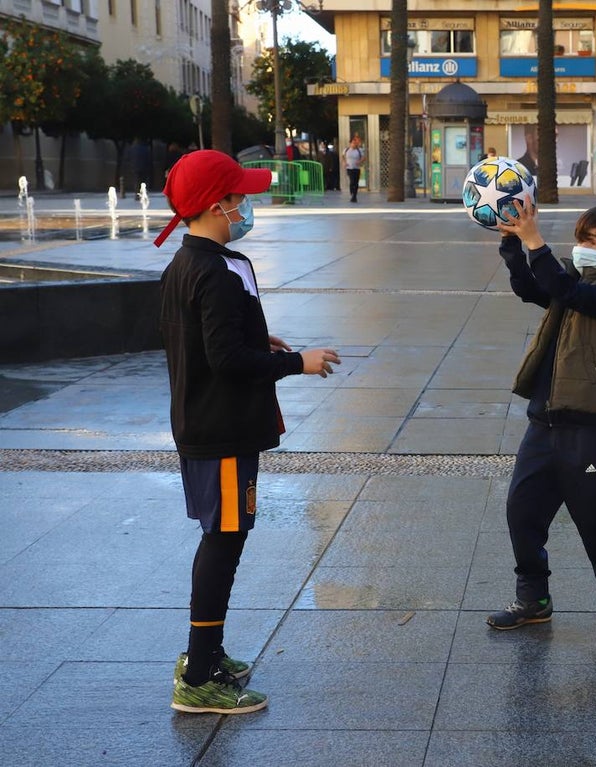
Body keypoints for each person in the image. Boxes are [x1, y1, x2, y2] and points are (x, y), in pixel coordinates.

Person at [154, 150, 342, 713]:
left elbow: (209, 340)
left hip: (207, 423)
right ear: (218, 205)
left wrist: (258, 340)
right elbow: (226, 361)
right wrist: (297, 362)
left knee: (224, 537)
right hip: (222, 430)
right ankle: (199, 674)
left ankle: (205, 652)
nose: (246, 205)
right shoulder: (212, 271)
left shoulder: (190, 262)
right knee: (224, 541)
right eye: (239, 197)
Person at [487, 201, 596, 632]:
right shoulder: (572, 283)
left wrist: (536, 241)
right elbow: (530, 287)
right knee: (522, 511)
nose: (581, 247)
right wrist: (512, 244)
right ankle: (533, 598)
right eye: (580, 239)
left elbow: (567, 291)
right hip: (543, 423)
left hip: (587, 429)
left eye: (592, 242)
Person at [344, 135, 365, 202]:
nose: (354, 144)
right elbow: (342, 156)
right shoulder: (346, 150)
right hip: (349, 168)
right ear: (350, 143)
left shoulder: (359, 150)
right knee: (352, 181)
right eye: (353, 143)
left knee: (356, 182)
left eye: (355, 143)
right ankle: (352, 192)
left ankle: (354, 196)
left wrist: (359, 161)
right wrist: (344, 162)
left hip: (356, 168)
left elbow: (363, 157)